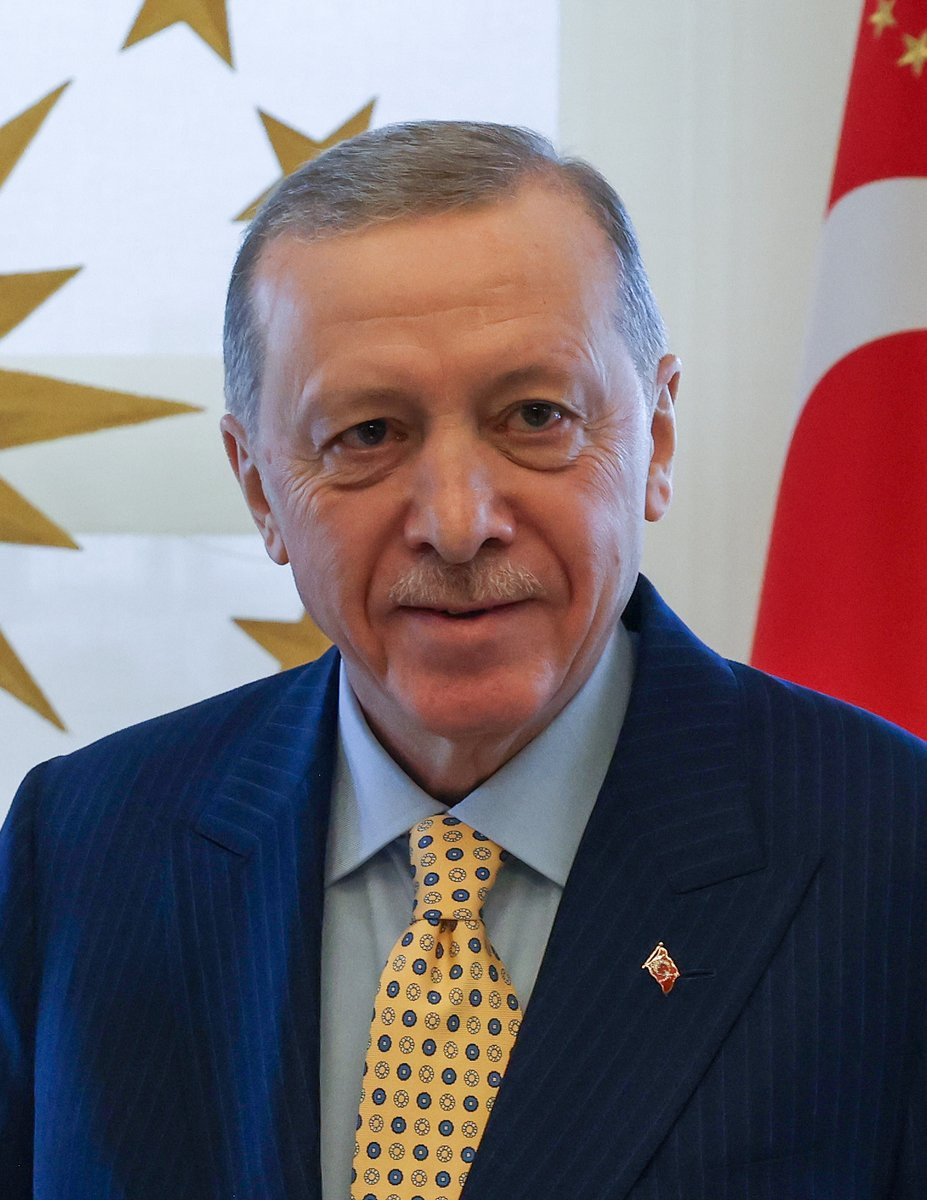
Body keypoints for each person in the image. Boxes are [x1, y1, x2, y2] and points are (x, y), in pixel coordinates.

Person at [0, 121, 924, 1200]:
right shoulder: (82, 850)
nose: (456, 522)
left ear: (657, 439)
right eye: (367, 434)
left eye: (535, 416)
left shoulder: (893, 852)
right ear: (259, 489)